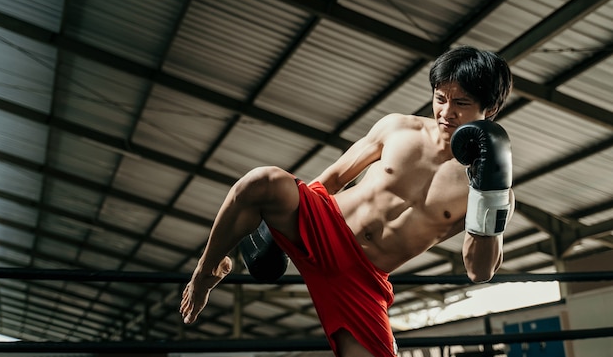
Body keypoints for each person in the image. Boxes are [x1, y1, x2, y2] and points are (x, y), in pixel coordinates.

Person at [180, 45, 515, 357]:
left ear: (491, 108)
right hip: (325, 225)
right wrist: (282, 233)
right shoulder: (398, 128)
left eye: (461, 104)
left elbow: (479, 270)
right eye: (441, 98)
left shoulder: (491, 191)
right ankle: (205, 271)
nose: (446, 112)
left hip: (363, 279)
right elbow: (334, 177)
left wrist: (489, 191)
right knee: (261, 181)